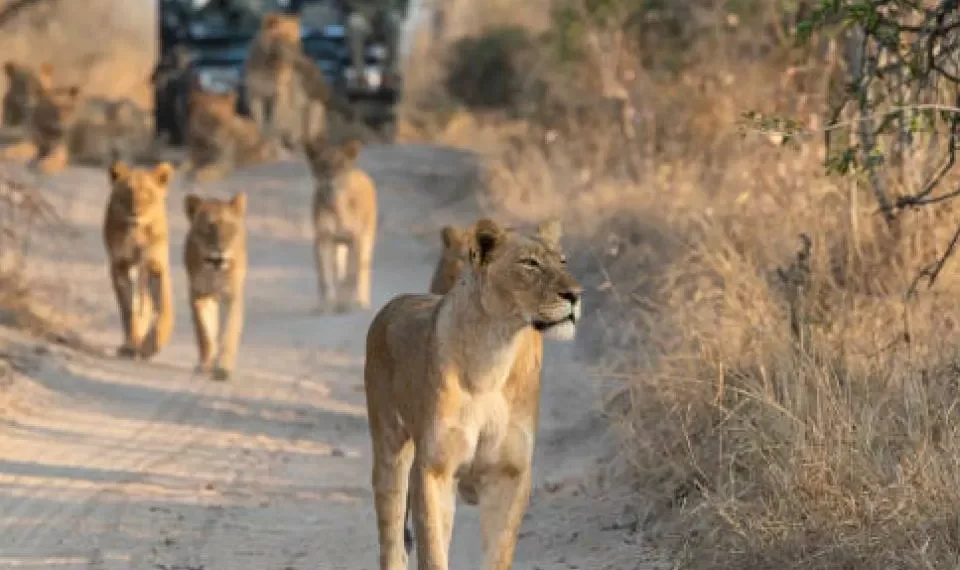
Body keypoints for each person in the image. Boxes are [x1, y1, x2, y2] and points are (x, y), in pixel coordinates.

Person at [343, 0, 407, 89]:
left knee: (394, 21)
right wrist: (368, 12)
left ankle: (390, 72)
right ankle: (359, 74)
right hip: (361, 14)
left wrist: (390, 10)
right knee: (355, 24)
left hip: (385, 15)